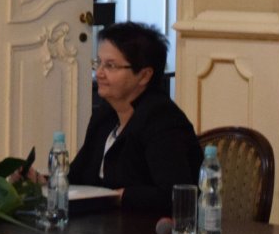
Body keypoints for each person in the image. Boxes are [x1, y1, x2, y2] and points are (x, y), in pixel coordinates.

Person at [70, 21, 202, 214]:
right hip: (102, 226)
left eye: (110, 66)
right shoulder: (105, 115)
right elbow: (76, 177)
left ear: (144, 75)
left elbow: (176, 195)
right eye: (98, 63)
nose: (99, 73)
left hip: (146, 229)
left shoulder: (162, 120)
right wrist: (39, 181)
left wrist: (120, 196)